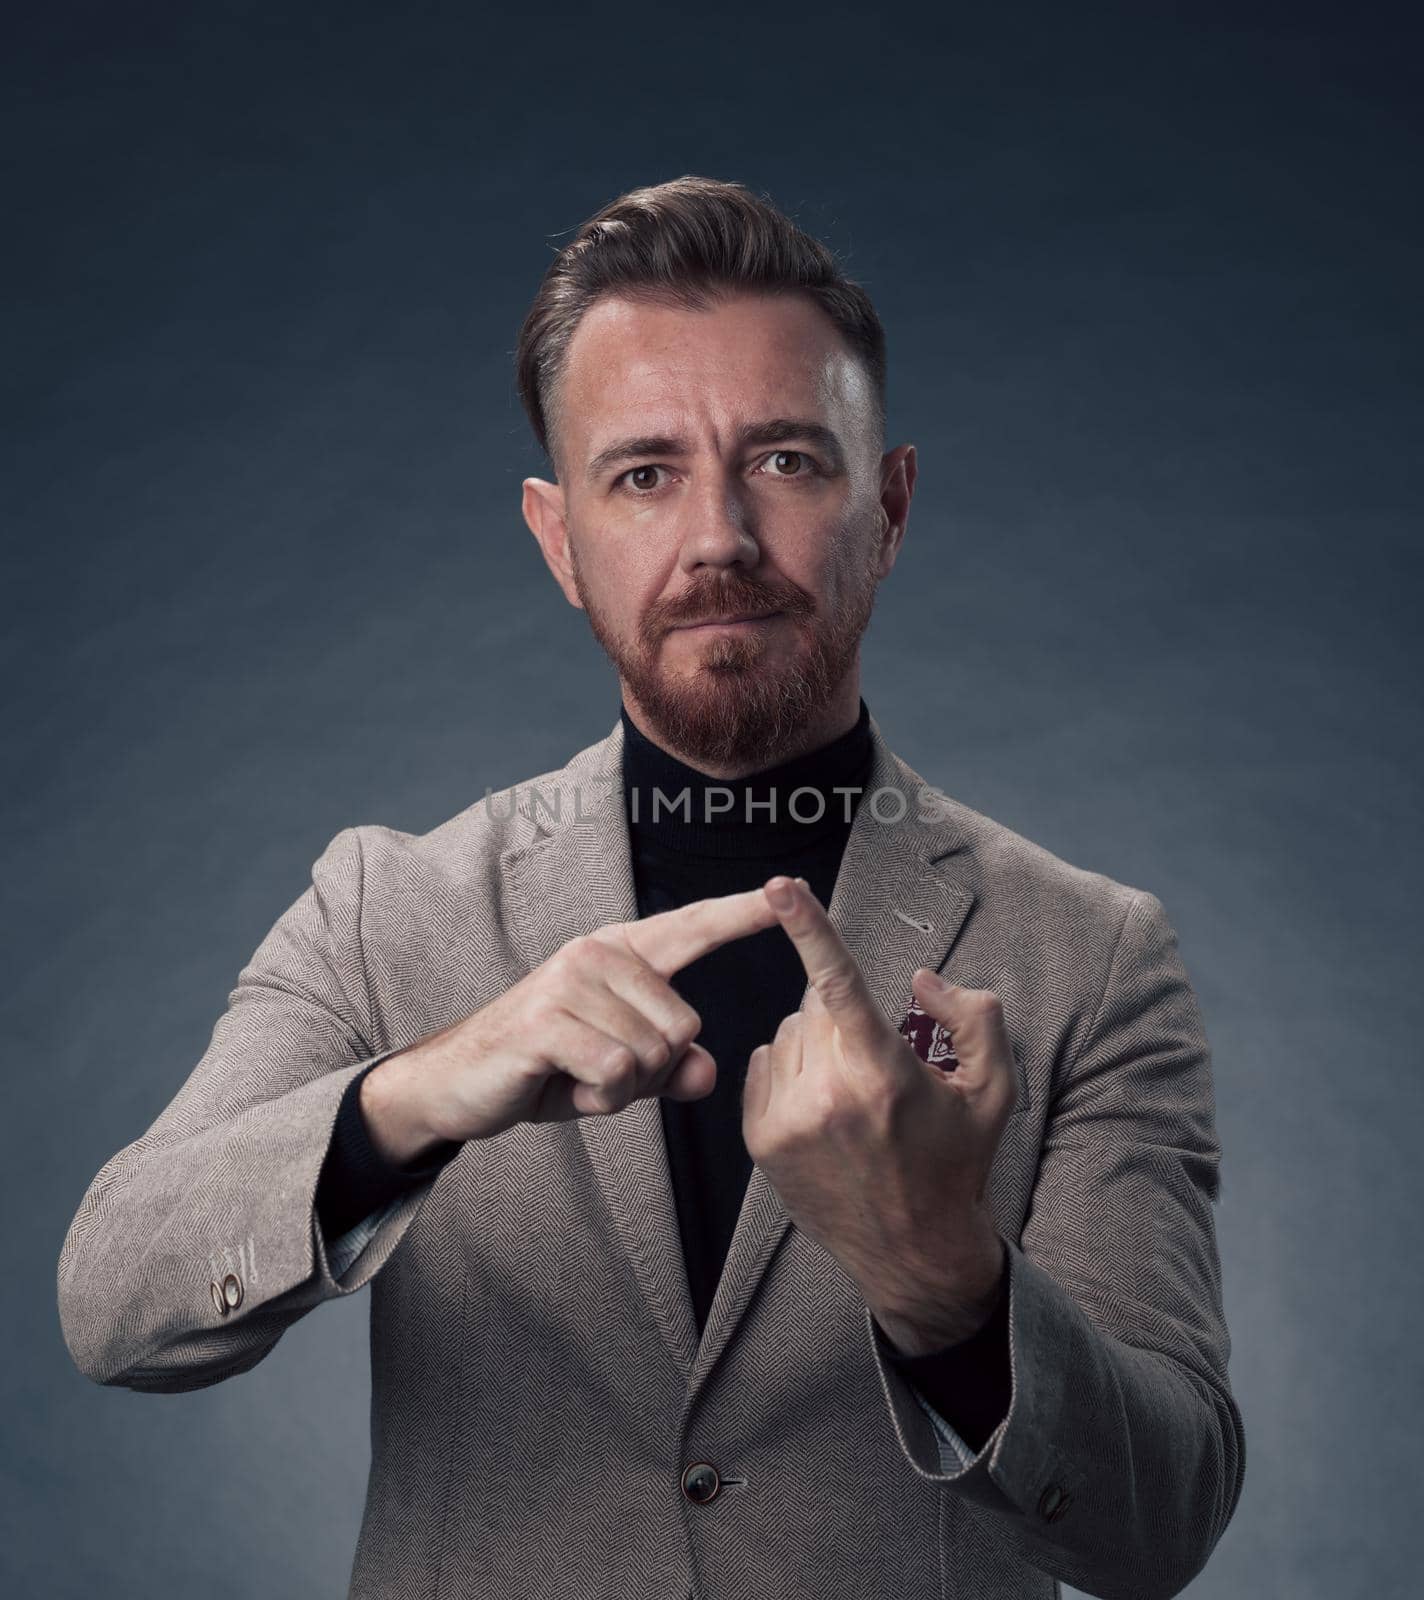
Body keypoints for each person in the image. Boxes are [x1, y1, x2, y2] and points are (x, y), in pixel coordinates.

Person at [57, 175, 1246, 1600]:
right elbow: (111, 1300)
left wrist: (943, 1278)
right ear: (559, 539)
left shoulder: (1091, 955)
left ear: (893, 504)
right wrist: (420, 1092)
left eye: (789, 462)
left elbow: (1162, 1520)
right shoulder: (388, 910)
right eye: (645, 474)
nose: (721, 538)